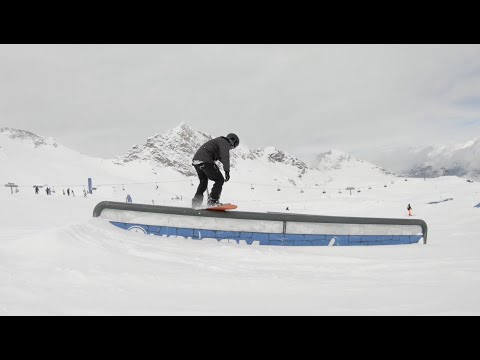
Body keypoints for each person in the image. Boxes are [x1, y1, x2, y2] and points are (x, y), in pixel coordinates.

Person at [191, 133, 239, 208]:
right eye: (234, 145)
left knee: (203, 182)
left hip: (197, 161)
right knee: (219, 180)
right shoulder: (225, 142)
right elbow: (225, 157)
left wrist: (226, 167)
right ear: (232, 140)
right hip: (205, 160)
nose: (232, 148)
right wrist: (227, 171)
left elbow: (221, 158)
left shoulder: (219, 141)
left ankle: (196, 203)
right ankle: (213, 201)